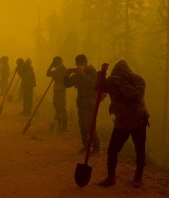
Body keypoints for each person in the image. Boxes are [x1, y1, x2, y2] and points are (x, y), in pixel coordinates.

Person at [97, 60, 149, 188]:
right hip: (121, 122)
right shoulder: (111, 82)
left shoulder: (137, 80)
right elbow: (99, 87)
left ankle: (138, 177)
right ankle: (111, 177)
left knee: (139, 150)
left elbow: (137, 96)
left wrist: (122, 84)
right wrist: (101, 75)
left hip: (138, 120)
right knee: (113, 150)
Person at [64, 54, 100, 154]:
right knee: (82, 126)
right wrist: (67, 74)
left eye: (80, 64)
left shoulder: (91, 72)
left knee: (89, 125)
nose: (79, 66)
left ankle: (96, 147)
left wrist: (83, 75)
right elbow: (67, 84)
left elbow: (93, 85)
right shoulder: (78, 74)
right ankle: (86, 145)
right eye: (77, 64)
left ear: (85, 63)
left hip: (89, 103)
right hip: (80, 102)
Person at [46, 56, 68, 131]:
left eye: (55, 62)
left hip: (61, 91)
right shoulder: (56, 70)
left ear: (59, 62)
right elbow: (48, 74)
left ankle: (64, 125)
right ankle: (58, 124)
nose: (54, 64)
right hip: (56, 90)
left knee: (62, 107)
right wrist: (51, 66)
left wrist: (55, 76)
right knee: (56, 106)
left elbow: (63, 80)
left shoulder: (64, 70)